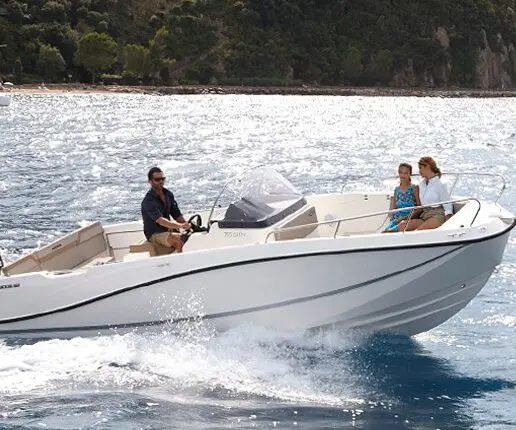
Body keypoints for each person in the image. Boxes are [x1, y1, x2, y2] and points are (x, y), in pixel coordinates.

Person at [141, 167, 191, 254]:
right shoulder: (148, 201)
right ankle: (181, 264)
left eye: (162, 179)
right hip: (154, 233)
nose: (161, 181)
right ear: (150, 181)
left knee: (190, 236)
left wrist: (187, 225)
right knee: (177, 240)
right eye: (157, 179)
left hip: (167, 230)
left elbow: (177, 215)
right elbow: (161, 221)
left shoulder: (168, 194)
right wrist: (180, 225)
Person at [403, 156, 453, 231]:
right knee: (402, 226)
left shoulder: (440, 183)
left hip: (437, 214)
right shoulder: (422, 184)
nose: (419, 171)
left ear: (427, 166)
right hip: (424, 214)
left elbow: (448, 206)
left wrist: (448, 226)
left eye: (420, 168)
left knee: (417, 232)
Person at [384, 163, 421, 232]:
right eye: (401, 172)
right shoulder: (396, 189)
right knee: (386, 231)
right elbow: (394, 209)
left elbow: (419, 208)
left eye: (406, 173)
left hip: (408, 218)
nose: (403, 175)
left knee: (390, 231)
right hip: (396, 219)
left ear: (410, 174)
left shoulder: (414, 188)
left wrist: (404, 218)